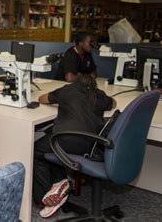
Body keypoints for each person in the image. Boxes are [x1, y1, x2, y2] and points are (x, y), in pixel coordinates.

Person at [33, 75, 116, 218]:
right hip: (91, 145)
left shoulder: (67, 90)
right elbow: (113, 103)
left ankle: (45, 197)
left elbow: (42, 99)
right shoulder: (99, 95)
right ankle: (59, 183)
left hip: (65, 140)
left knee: (36, 151)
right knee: (53, 150)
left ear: (75, 82)